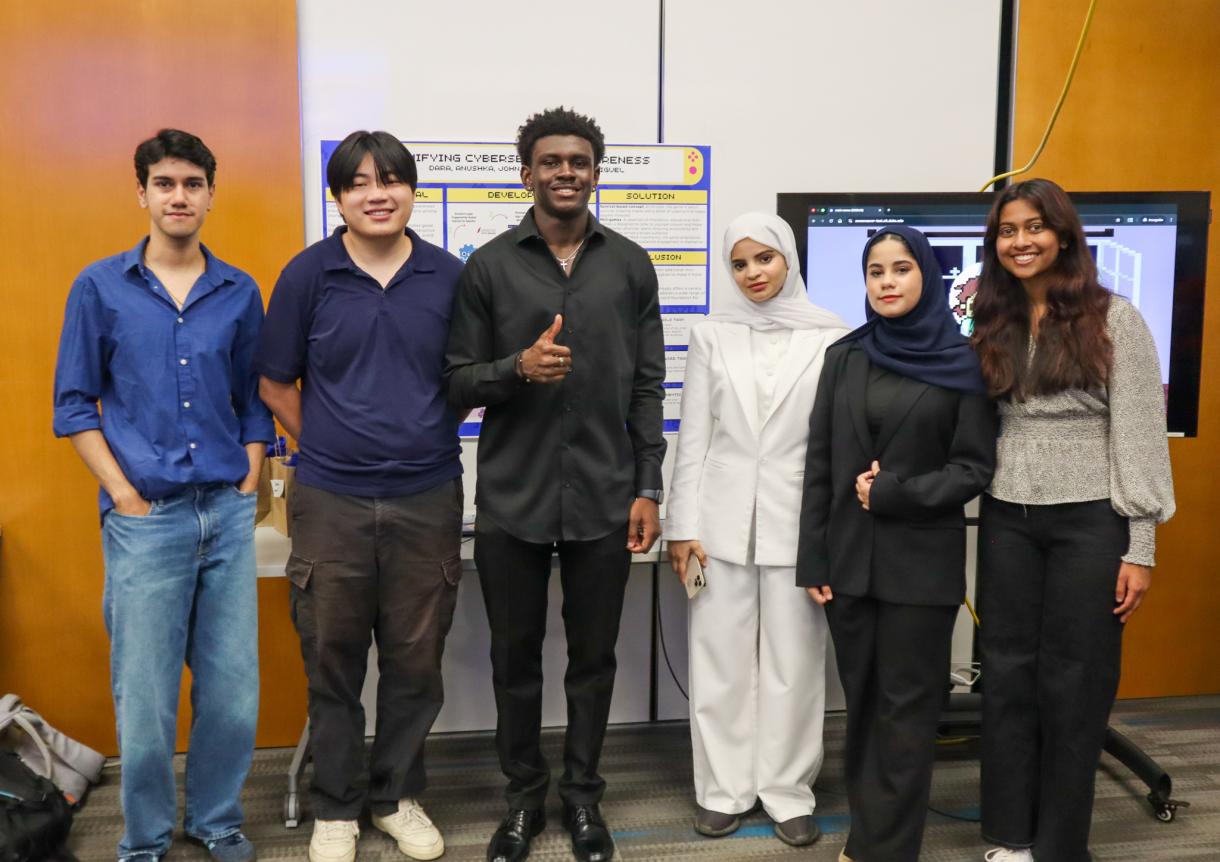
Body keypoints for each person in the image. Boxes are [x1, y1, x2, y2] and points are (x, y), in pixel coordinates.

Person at [445, 106, 665, 862]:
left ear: (595, 171)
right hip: (513, 498)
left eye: (579, 160)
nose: (565, 171)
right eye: (550, 161)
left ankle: (582, 802)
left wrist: (649, 485)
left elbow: (647, 387)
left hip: (607, 497)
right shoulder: (490, 266)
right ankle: (521, 804)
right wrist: (516, 369)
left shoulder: (631, 265)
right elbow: (455, 383)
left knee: (595, 660)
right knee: (515, 659)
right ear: (527, 172)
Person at [53, 129, 271, 862]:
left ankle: (216, 821)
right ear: (142, 192)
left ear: (212, 192)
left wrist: (250, 474)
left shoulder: (239, 291)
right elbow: (74, 405)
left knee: (233, 693)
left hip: (227, 511)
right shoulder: (100, 287)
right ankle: (144, 840)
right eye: (165, 183)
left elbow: (252, 399)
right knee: (144, 701)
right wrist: (123, 493)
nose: (179, 197)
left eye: (193, 183)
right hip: (145, 522)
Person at [255, 131, 465, 862]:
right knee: (333, 659)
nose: (378, 193)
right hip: (331, 501)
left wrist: (420, 432)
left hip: (428, 496)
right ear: (338, 197)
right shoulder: (308, 275)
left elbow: (466, 380)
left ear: (411, 189)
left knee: (416, 662)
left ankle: (396, 797)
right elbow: (275, 381)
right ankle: (337, 807)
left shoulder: (448, 276)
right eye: (360, 182)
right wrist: (327, 445)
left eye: (392, 179)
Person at [971, 179, 1175, 862]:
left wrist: (1140, 544)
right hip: (1007, 517)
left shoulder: (1115, 318)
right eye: (1007, 230)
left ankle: (1060, 846)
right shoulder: (989, 319)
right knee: (1005, 675)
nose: (1020, 241)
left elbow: (1141, 434)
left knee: (1075, 681)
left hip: (1091, 522)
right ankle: (1010, 835)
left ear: (1062, 235)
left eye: (1034, 227)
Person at [797, 225, 998, 862]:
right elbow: (821, 464)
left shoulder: (965, 362)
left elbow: (973, 469)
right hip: (849, 566)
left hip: (920, 569)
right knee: (862, 708)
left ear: (927, 278)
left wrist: (895, 493)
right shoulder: (845, 357)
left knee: (906, 714)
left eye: (902, 269)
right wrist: (814, 557)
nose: (887, 282)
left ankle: (885, 849)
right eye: (876, 271)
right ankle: (869, 834)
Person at [665, 212, 848, 847]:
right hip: (718, 523)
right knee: (718, 659)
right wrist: (680, 526)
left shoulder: (832, 335)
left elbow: (835, 445)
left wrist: (830, 532)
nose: (753, 274)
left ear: (788, 258)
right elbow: (693, 438)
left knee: (795, 664)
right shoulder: (712, 333)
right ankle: (723, 791)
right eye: (740, 263)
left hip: (801, 522)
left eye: (763, 259)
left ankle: (787, 791)